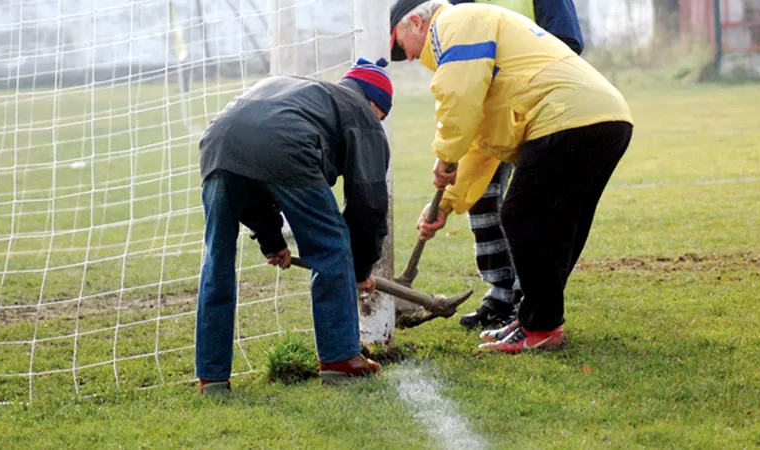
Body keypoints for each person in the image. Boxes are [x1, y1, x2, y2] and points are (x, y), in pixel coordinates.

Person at [389, 0, 633, 352]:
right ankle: (535, 318)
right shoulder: (473, 41)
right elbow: (480, 144)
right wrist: (448, 204)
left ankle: (542, 327)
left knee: (521, 216)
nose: (409, 58)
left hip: (565, 115)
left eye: (401, 46)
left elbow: (458, 98)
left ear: (415, 21)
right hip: (605, 117)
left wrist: (445, 154)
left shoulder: (456, 22)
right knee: (561, 225)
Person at [195, 58, 393, 394]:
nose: (378, 125)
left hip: (217, 142)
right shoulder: (361, 113)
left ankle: (211, 376)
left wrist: (272, 240)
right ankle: (340, 359)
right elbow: (368, 204)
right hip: (286, 142)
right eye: (381, 118)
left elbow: (252, 171)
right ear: (374, 104)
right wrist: (358, 270)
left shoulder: (308, 93)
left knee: (218, 259)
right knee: (330, 246)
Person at [446, 0, 585, 329]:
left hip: (537, 106)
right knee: (480, 199)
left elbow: (568, 41)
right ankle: (500, 295)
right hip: (486, 107)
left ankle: (528, 298)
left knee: (528, 206)